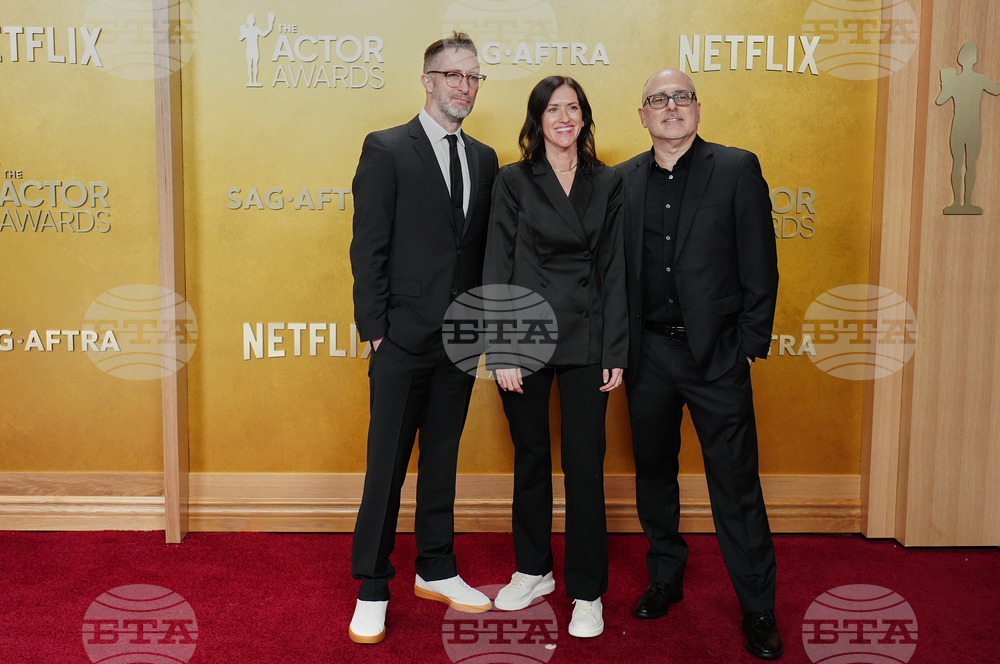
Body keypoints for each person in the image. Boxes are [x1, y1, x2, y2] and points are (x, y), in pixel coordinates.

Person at [617, 69, 782, 659]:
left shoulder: (736, 168)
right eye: (658, 99)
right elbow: (612, 276)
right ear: (643, 115)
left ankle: (758, 607)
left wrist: (747, 343)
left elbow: (761, 262)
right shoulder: (622, 181)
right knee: (655, 472)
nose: (671, 107)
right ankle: (665, 576)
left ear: (698, 109)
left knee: (736, 484)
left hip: (716, 356)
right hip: (648, 356)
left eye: (681, 98)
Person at [348, 32, 499, 644]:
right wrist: (376, 331)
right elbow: (367, 247)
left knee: (443, 459)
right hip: (401, 339)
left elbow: (480, 248)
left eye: (473, 77)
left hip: (460, 340)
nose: (463, 86)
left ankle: (436, 567)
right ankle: (372, 585)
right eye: (452, 75)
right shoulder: (386, 148)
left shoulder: (486, 158)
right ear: (428, 79)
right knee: (385, 466)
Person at [484, 75, 627, 639]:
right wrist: (501, 347)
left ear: (584, 117)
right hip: (525, 335)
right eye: (553, 109)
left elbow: (615, 268)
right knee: (530, 456)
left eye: (573, 108)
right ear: (537, 119)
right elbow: (497, 262)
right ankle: (533, 569)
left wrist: (615, 346)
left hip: (589, 340)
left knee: (586, 467)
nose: (564, 117)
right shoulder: (513, 180)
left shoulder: (608, 181)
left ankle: (587, 592)